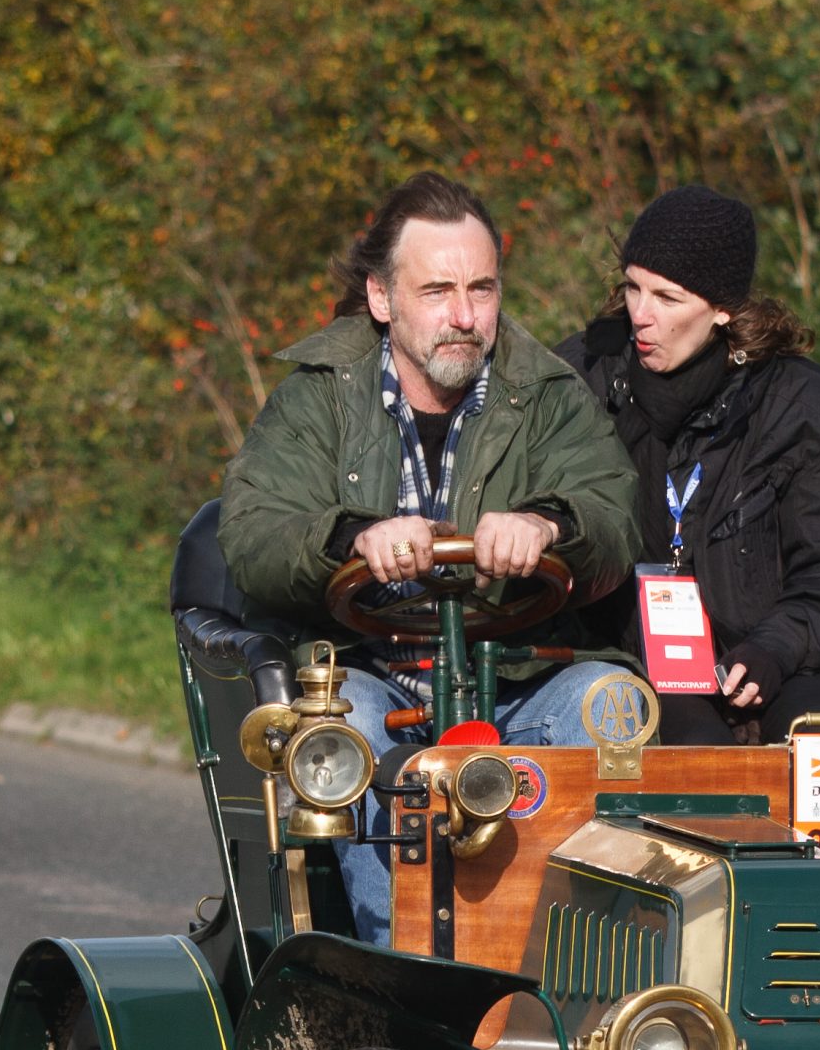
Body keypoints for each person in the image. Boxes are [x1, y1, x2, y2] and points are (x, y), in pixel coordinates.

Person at [218, 171, 642, 942]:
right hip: (371, 673)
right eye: (437, 291)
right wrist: (352, 535)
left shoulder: (547, 391)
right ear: (383, 299)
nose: (463, 316)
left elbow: (613, 514)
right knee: (349, 727)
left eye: (481, 290)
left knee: (607, 702)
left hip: (514, 677)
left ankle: (565, 960)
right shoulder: (317, 396)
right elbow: (254, 535)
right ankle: (400, 961)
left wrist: (550, 526)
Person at [559, 185, 820, 744]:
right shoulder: (576, 382)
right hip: (637, 667)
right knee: (684, 752)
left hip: (804, 659)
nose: (640, 315)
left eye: (668, 297)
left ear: (724, 310)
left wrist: (776, 646)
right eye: (633, 287)